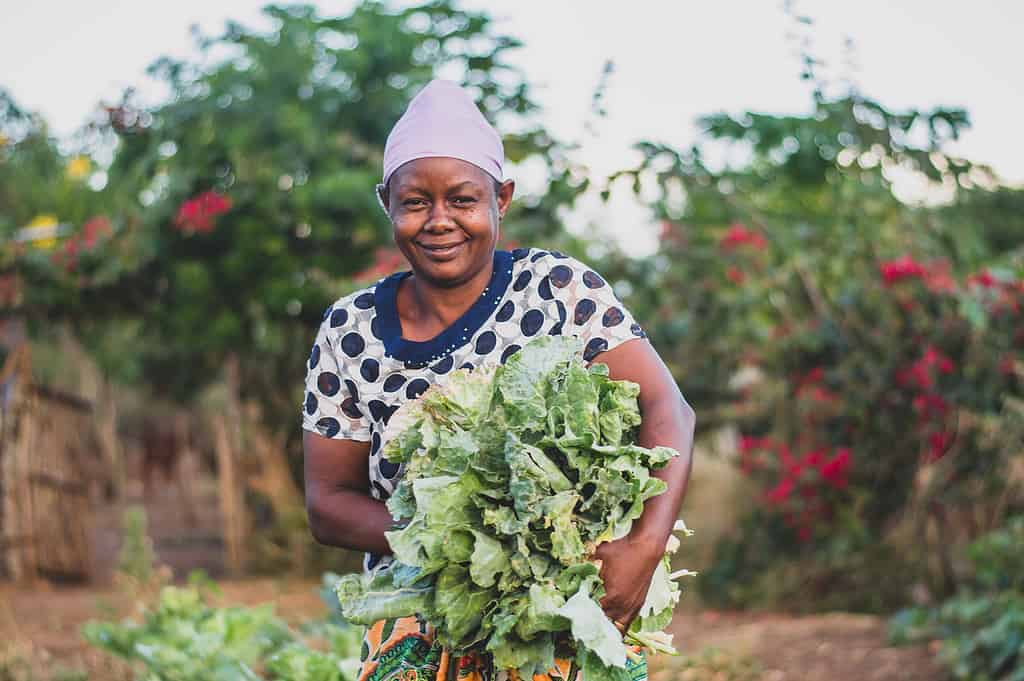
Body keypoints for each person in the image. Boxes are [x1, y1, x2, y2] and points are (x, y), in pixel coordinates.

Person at [302, 79, 695, 681]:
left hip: (567, 602)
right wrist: (468, 542)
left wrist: (640, 550)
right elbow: (328, 503)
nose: (439, 221)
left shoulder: (558, 290)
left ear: (501, 198)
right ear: (387, 202)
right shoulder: (349, 329)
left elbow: (669, 412)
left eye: (462, 199)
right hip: (420, 612)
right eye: (415, 202)